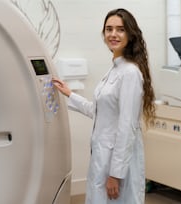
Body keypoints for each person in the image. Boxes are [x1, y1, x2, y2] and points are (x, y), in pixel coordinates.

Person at [52, 8, 155, 204]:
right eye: (109, 29)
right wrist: (69, 93)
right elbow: (99, 111)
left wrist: (116, 174)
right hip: (103, 158)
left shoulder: (130, 73)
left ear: (130, 35)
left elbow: (127, 127)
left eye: (120, 29)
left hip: (117, 164)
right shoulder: (115, 69)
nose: (113, 34)